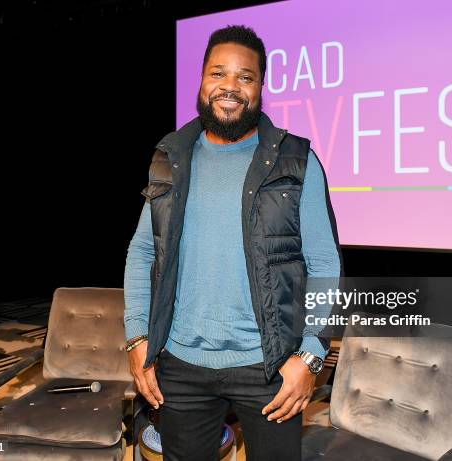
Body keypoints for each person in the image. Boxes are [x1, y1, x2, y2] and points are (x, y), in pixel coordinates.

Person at [124, 25, 341, 461]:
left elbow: (323, 263)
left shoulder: (296, 159)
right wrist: (136, 337)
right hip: (179, 365)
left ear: (261, 87)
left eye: (245, 77)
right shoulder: (171, 155)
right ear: (202, 81)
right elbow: (143, 249)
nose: (230, 87)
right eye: (217, 74)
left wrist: (311, 355)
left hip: (271, 365)